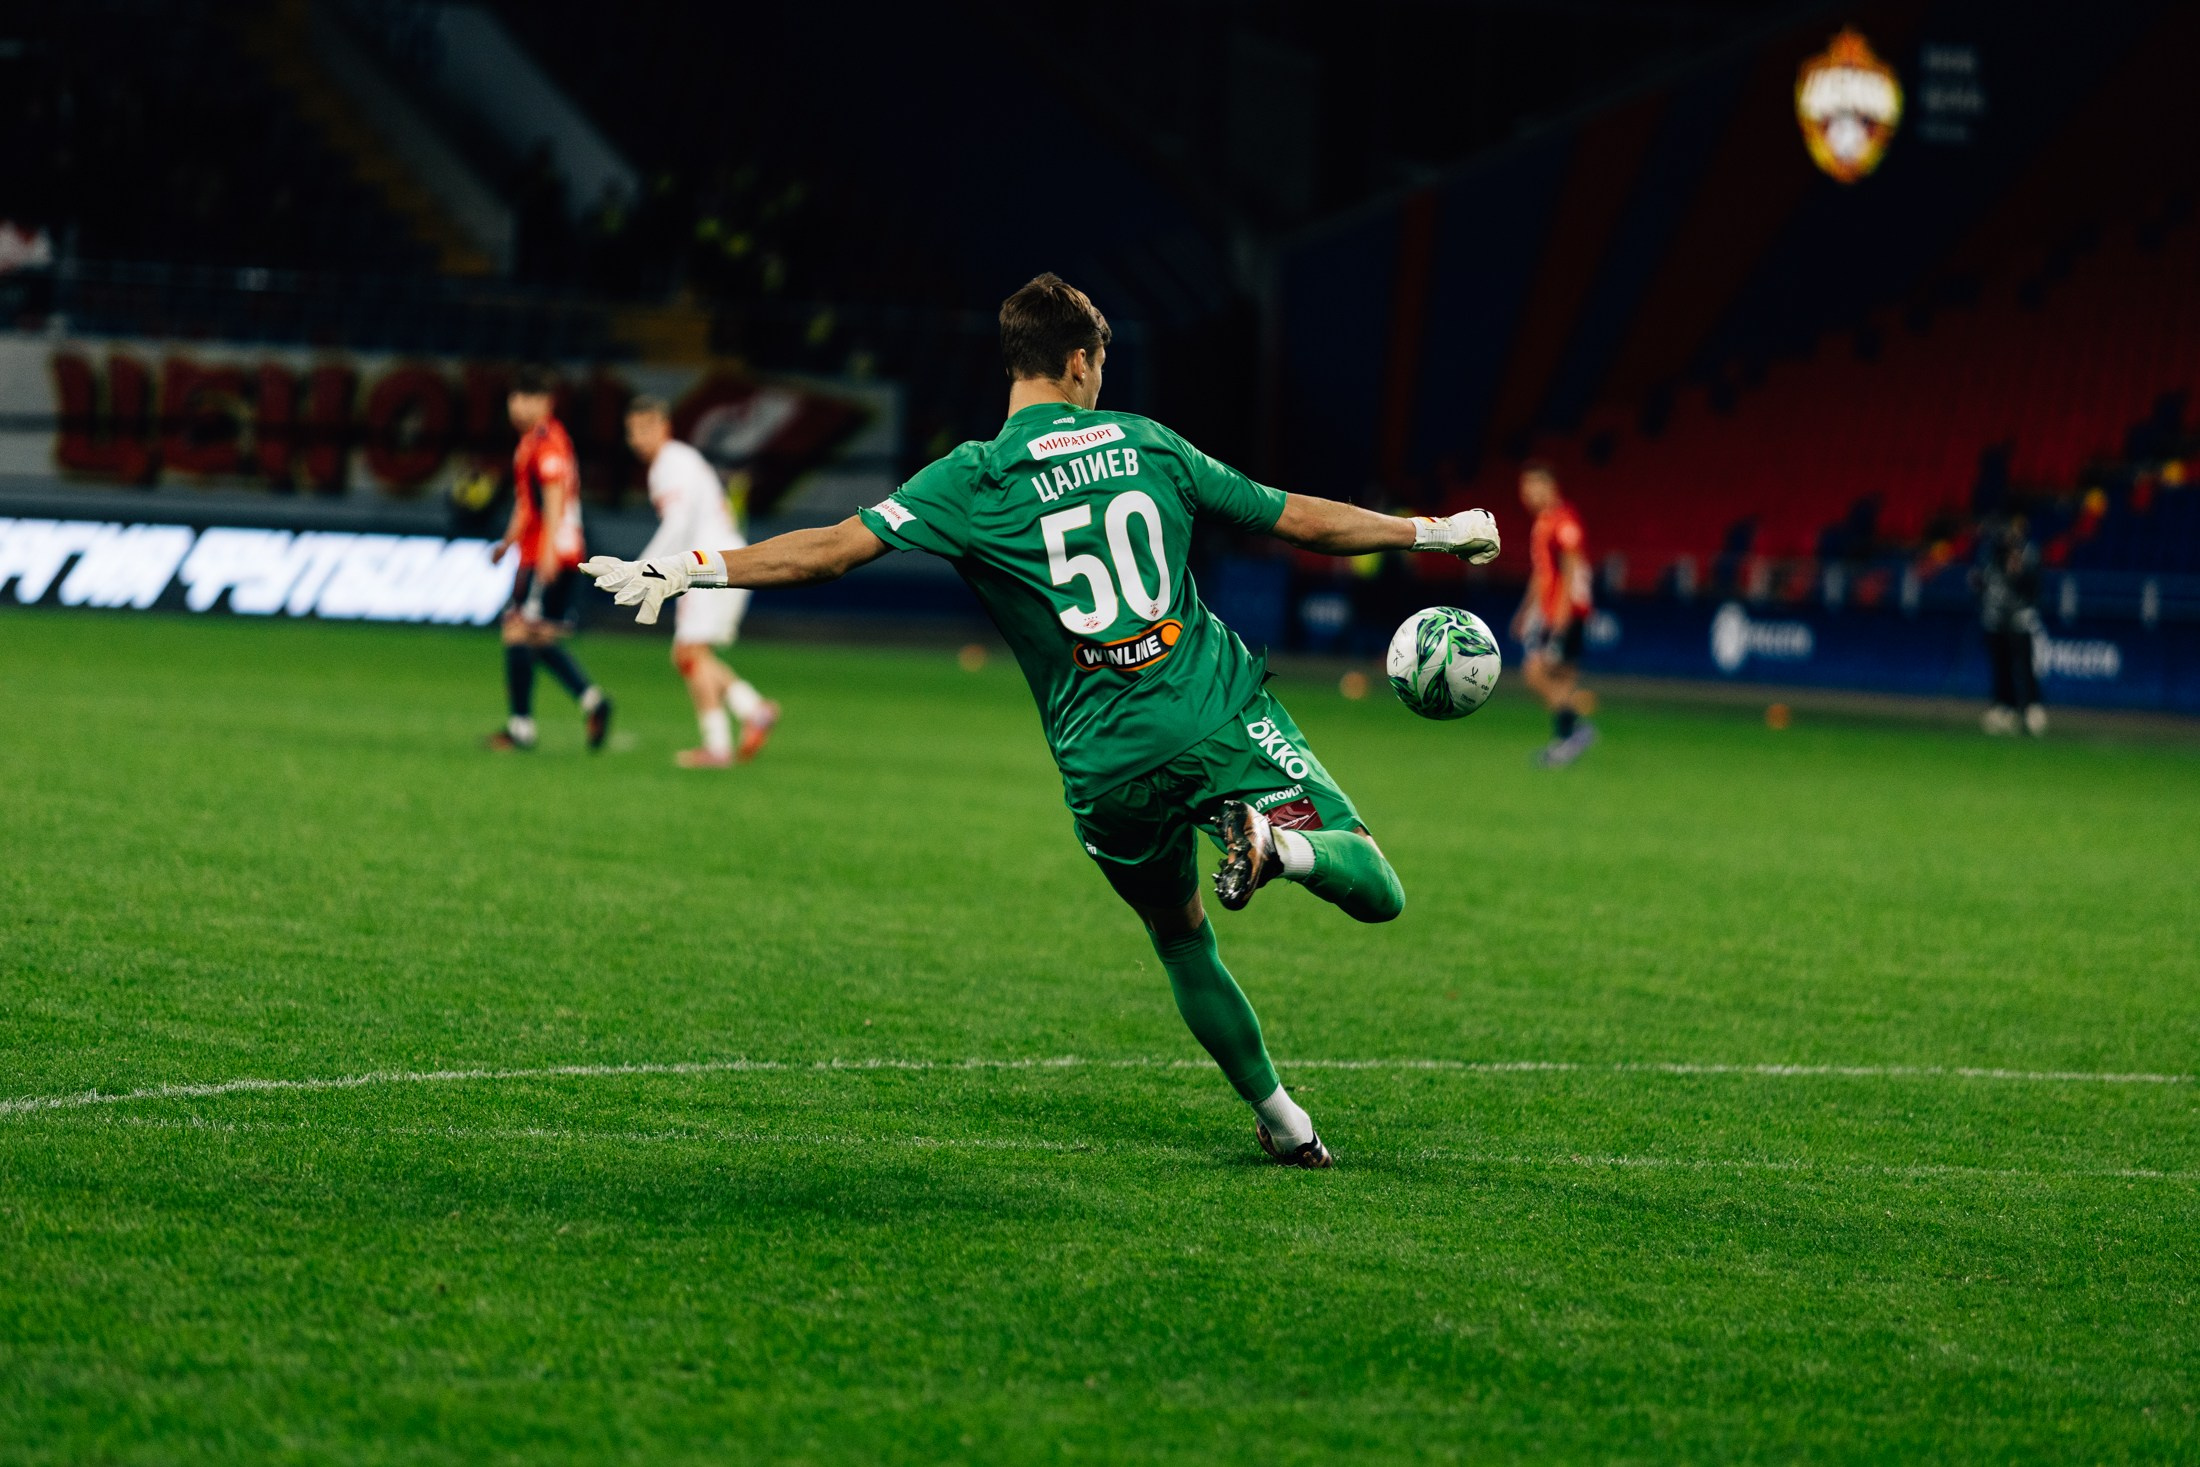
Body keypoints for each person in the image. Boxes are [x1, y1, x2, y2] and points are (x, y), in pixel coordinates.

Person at [583, 274, 1500, 1168]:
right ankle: (1283, 847)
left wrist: (692, 568)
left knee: (1182, 938)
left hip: (1105, 767)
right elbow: (1298, 520)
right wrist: (1434, 531)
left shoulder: (971, 477)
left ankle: (1287, 1124)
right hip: (1215, 716)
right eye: (1099, 361)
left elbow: (829, 552)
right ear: (1078, 362)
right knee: (1376, 884)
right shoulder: (1148, 443)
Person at [625, 397, 780, 767]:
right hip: (727, 560)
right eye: (634, 431)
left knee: (688, 653)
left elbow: (677, 524)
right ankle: (752, 709)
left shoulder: (669, 465)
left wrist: (642, 570)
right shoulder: (683, 459)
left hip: (709, 565)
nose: (640, 438)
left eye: (647, 427)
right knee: (693, 654)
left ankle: (718, 746)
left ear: (665, 426)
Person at [488, 368, 613, 752]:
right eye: (515, 397)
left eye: (527, 398)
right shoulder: (530, 441)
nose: (518, 405)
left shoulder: (548, 441)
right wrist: (508, 542)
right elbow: (528, 503)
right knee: (536, 637)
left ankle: (521, 728)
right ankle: (593, 701)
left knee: (517, 631)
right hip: (537, 549)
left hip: (550, 552)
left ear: (546, 402)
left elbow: (555, 500)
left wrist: (546, 554)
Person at [1511, 462, 1596, 766]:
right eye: (1524, 488)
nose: (1528, 494)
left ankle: (1575, 730)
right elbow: (1542, 573)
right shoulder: (1544, 522)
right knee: (1562, 679)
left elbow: (1571, 570)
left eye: (1533, 486)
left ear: (1550, 486)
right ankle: (1566, 740)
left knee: (1534, 671)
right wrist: (1525, 611)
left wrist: (1560, 618)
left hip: (1569, 612)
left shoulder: (1564, 521)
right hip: (1554, 611)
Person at [1974, 515, 2045, 736]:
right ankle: (2006, 707)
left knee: (2024, 666)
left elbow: (2033, 589)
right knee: (2001, 666)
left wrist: (2018, 574)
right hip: (1996, 619)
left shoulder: (2029, 554)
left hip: (2020, 620)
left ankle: (2031, 708)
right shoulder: (1991, 553)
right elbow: (1984, 583)